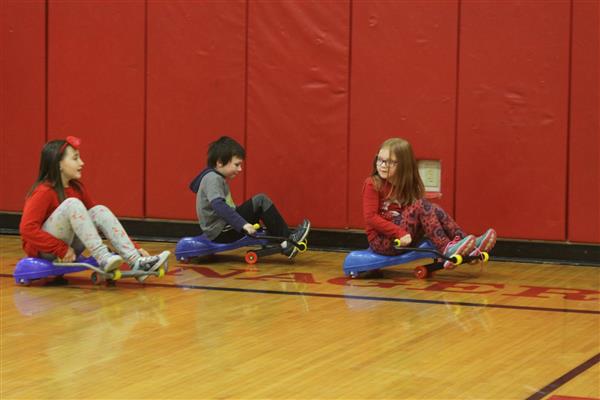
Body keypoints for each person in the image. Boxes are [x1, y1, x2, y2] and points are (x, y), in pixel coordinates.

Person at [19, 136, 170, 282]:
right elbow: (27, 229)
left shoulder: (76, 188)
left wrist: (135, 248)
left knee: (99, 210)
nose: (81, 162)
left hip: (69, 246)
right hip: (46, 251)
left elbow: (100, 218)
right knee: (73, 204)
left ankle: (135, 260)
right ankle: (103, 256)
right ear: (58, 164)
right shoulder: (43, 191)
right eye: (75, 158)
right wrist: (61, 249)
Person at [363, 137, 496, 268]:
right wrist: (399, 233)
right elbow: (371, 217)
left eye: (390, 162)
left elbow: (412, 216)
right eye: (380, 160)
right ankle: (445, 248)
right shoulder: (372, 184)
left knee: (434, 208)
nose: (382, 165)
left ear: (404, 164)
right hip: (382, 241)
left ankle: (468, 245)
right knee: (421, 205)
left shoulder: (405, 184)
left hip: (404, 236)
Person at [189, 136, 310, 259]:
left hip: (223, 227)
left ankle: (286, 240)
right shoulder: (213, 178)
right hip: (221, 232)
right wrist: (243, 224)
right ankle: (288, 240)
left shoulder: (215, 177)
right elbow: (218, 205)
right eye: (236, 164)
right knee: (261, 201)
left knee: (259, 203)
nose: (240, 169)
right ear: (219, 163)